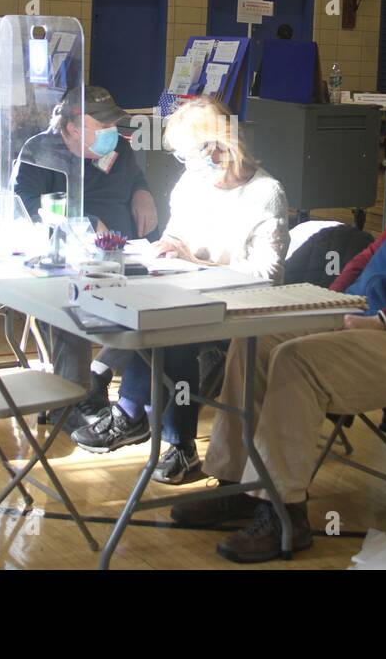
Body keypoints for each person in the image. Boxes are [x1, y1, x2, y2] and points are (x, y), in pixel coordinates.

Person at [170, 113, 386, 563]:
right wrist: (326, 302)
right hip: (362, 321)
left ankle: (285, 515)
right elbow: (369, 257)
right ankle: (240, 483)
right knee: (256, 339)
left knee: (296, 360)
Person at [70, 98, 290, 484]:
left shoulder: (265, 193)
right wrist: (168, 245)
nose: (185, 165)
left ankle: (149, 423)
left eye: (190, 155)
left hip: (240, 307)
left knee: (173, 337)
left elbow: (268, 274)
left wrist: (200, 264)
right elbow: (178, 232)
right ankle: (152, 426)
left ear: (218, 146)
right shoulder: (193, 183)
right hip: (188, 291)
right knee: (155, 320)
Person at [14, 86, 158, 402]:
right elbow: (23, 205)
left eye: (112, 125)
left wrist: (142, 192)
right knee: (71, 306)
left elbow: (133, 178)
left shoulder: (120, 149)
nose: (111, 132)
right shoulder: (40, 153)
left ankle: (102, 378)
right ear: (71, 128)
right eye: (102, 125)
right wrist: (86, 224)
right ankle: (72, 400)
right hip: (69, 260)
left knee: (160, 308)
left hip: (128, 255)